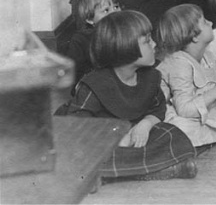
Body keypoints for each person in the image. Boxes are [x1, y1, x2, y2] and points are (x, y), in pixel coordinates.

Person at [55, 10, 197, 181]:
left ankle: (105, 174)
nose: (154, 44)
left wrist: (145, 124)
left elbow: (158, 109)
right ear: (124, 48)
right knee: (75, 153)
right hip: (95, 137)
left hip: (132, 133)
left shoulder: (150, 77)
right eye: (147, 41)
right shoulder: (95, 83)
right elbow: (77, 125)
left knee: (172, 134)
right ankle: (152, 170)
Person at [155, 4, 216, 148]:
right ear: (194, 37)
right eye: (204, 22)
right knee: (181, 127)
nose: (210, 22)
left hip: (197, 107)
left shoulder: (207, 55)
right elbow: (184, 109)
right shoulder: (179, 62)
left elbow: (210, 88)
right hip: (178, 111)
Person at [67, 0, 121, 89]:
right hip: (92, 86)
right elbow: (74, 72)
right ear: (90, 20)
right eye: (106, 10)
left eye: (116, 7)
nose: (114, 13)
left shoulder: (126, 32)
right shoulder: (81, 39)